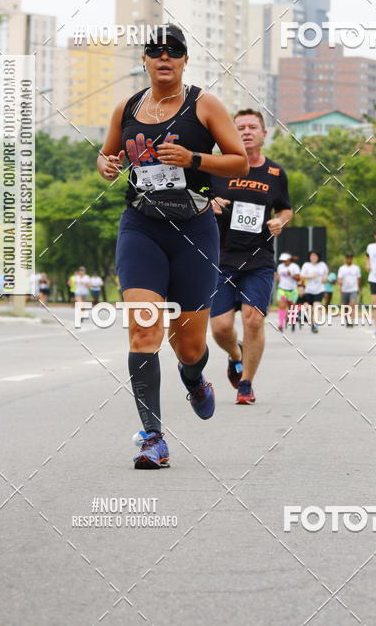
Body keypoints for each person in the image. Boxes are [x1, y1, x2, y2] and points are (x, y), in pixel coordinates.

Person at [98, 23, 248, 468]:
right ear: (144, 61)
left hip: (195, 231)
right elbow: (108, 155)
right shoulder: (126, 108)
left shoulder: (204, 104)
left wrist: (193, 159)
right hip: (141, 227)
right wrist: (106, 165)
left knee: (188, 346)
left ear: (184, 60)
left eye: (173, 52)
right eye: (155, 51)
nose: (164, 58)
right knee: (144, 329)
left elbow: (237, 158)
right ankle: (153, 438)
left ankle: (195, 379)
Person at [209, 109, 293, 402]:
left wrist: (279, 222)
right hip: (220, 258)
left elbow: (285, 208)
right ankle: (235, 353)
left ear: (264, 134)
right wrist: (210, 203)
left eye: (252, 127)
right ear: (231, 132)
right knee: (220, 328)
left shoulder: (275, 173)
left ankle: (246, 384)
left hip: (258, 259)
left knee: (253, 320)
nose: (246, 131)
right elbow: (194, 197)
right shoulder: (217, 167)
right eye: (240, 127)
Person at [300, 251, 329, 334]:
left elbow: (326, 272)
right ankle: (312, 321)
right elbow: (301, 276)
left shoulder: (322, 265)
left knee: (317, 306)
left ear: (318, 257)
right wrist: (310, 276)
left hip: (319, 289)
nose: (313, 257)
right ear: (309, 257)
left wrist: (325, 278)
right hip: (309, 290)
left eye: (315, 256)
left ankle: (315, 325)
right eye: (312, 256)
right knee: (310, 309)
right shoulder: (306, 265)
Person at [275, 252, 301, 331]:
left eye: (285, 260)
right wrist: (277, 277)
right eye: (282, 260)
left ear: (289, 260)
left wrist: (291, 275)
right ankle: (280, 324)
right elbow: (279, 277)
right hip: (282, 289)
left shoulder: (295, 267)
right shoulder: (280, 266)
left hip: (292, 290)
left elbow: (298, 278)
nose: (284, 262)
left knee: (292, 308)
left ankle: (292, 322)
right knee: (282, 306)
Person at [337, 252, 361, 327]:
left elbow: (358, 278)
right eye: (347, 258)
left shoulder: (356, 268)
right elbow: (340, 279)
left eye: (350, 258)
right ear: (345, 259)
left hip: (353, 289)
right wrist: (340, 287)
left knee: (352, 305)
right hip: (344, 289)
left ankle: (350, 320)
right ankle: (347, 319)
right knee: (345, 307)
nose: (349, 260)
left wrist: (358, 288)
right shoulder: (342, 268)